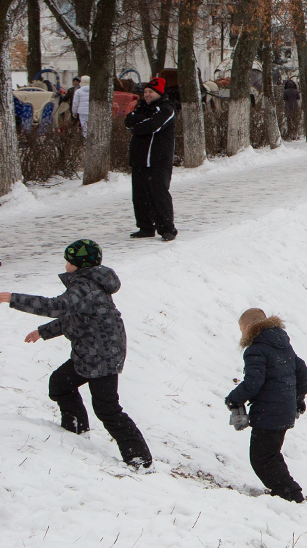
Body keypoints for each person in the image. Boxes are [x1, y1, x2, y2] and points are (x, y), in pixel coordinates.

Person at [0, 240, 152, 468]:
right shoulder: (87, 283)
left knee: (107, 409)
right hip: (91, 352)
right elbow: (75, 317)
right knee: (60, 384)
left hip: (102, 356)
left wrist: (13, 298)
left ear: (79, 265)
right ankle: (75, 432)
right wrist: (43, 332)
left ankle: (139, 459)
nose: (65, 264)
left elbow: (57, 306)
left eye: (68, 260)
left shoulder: (85, 287)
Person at [225, 308, 307, 503]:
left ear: (248, 327)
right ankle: (286, 493)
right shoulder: (282, 345)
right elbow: (303, 373)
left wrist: (234, 399)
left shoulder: (256, 348)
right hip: (283, 409)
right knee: (270, 455)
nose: (242, 334)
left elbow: (253, 382)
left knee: (262, 459)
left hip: (268, 411)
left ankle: (290, 495)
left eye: (241, 329)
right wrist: (297, 400)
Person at [124, 76, 177, 240]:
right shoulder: (141, 108)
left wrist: (138, 124)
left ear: (159, 93)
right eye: (145, 91)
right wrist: (139, 122)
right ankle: (145, 227)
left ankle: (167, 228)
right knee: (140, 195)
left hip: (158, 160)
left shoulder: (166, 109)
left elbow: (153, 126)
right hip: (139, 159)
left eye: (151, 92)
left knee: (159, 194)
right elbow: (128, 121)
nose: (147, 95)